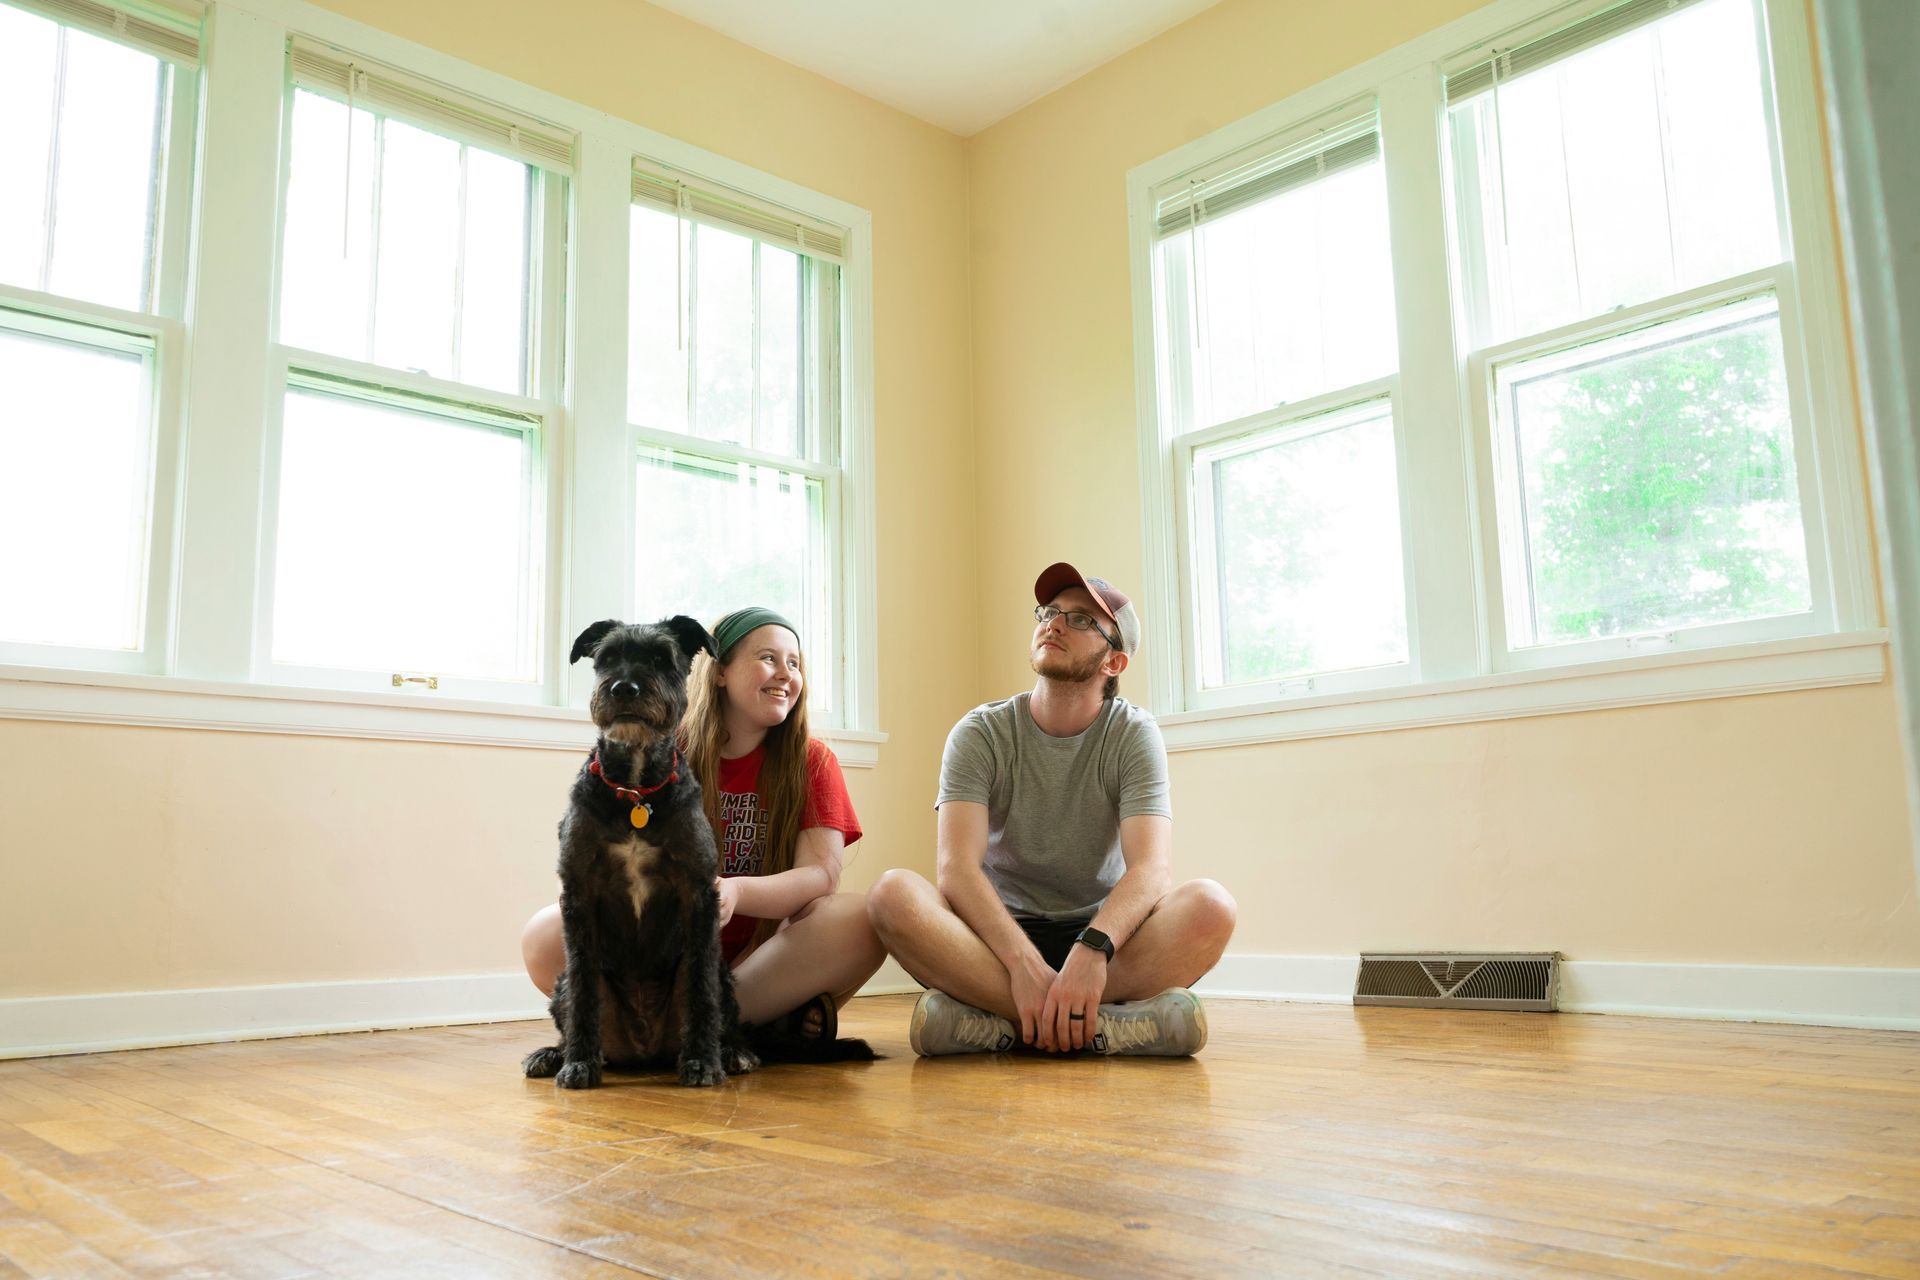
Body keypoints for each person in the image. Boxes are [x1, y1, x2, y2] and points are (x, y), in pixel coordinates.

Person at [867, 562, 1236, 1057]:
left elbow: (1151, 869)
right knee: (892, 895)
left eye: (1082, 620)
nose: (1055, 623)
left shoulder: (1133, 733)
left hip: (1105, 937)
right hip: (997, 939)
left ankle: (997, 1025)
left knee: (1212, 907)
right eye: (1050, 611)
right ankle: (1107, 1026)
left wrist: (1093, 949)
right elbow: (956, 868)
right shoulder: (980, 732)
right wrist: (1021, 961)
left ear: (1114, 663)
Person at [522, 607, 884, 1039]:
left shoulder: (813, 760)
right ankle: (747, 1027)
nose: (785, 673)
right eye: (768, 657)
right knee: (544, 933)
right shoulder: (663, 747)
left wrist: (735, 890)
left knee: (862, 918)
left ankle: (709, 1021)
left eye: (795, 663)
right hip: (659, 956)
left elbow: (821, 875)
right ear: (719, 672)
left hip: (763, 958)